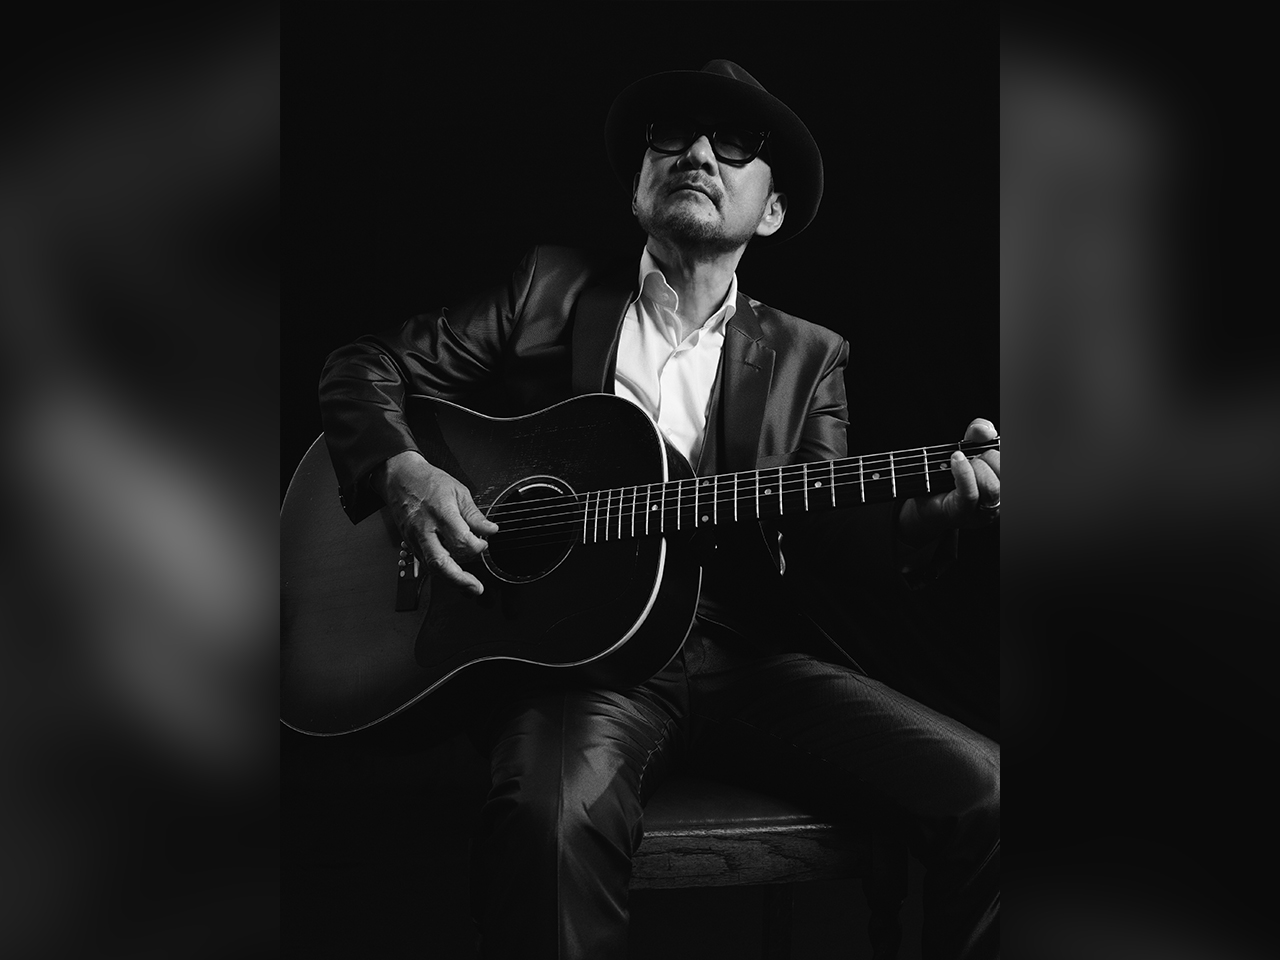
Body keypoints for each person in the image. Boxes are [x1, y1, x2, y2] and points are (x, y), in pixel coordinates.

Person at [318, 60, 999, 960]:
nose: (700, 154)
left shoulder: (810, 356)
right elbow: (363, 366)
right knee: (548, 821)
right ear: (638, 186)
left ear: (772, 211)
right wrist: (401, 469)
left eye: (736, 143)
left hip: (746, 661)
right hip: (584, 665)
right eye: (673, 137)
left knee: (990, 791)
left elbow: (825, 535)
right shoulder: (549, 291)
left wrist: (927, 520)